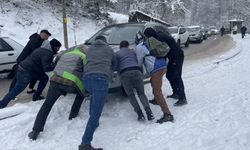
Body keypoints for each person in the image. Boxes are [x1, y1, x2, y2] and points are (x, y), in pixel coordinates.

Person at [28, 45, 87, 140]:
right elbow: (86, 71)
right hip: (70, 82)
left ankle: (35, 131)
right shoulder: (83, 57)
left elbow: (56, 60)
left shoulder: (65, 54)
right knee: (81, 94)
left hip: (55, 79)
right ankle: (73, 116)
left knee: (47, 104)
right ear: (83, 51)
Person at [0, 39, 61, 109]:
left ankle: (36, 96)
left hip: (25, 68)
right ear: (53, 46)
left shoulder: (41, 49)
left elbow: (39, 61)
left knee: (44, 78)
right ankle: (1, 104)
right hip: (26, 71)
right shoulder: (48, 53)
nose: (58, 49)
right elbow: (46, 68)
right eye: (57, 47)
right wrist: (55, 63)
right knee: (17, 89)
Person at [79, 36, 116, 150]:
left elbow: (86, 62)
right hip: (100, 78)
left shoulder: (89, 49)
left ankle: (94, 123)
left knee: (93, 96)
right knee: (96, 113)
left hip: (86, 79)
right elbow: (114, 64)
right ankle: (85, 143)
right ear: (105, 42)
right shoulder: (109, 49)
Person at [135, 28, 174, 124]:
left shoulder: (140, 46)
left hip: (156, 69)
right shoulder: (152, 42)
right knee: (154, 83)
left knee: (157, 91)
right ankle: (157, 100)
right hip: (163, 66)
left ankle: (167, 114)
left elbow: (139, 62)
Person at [115, 40, 154, 121]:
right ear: (128, 46)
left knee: (131, 95)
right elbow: (137, 61)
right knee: (141, 94)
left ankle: (140, 114)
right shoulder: (132, 52)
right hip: (136, 71)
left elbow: (115, 66)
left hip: (124, 73)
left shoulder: (117, 54)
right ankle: (149, 112)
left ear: (120, 46)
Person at [10, 30, 52, 94]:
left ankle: (30, 89)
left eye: (48, 37)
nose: (47, 38)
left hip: (28, 61)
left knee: (34, 75)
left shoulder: (40, 40)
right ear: (42, 34)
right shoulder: (35, 41)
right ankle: (11, 91)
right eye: (46, 36)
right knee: (17, 78)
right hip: (23, 60)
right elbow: (35, 52)